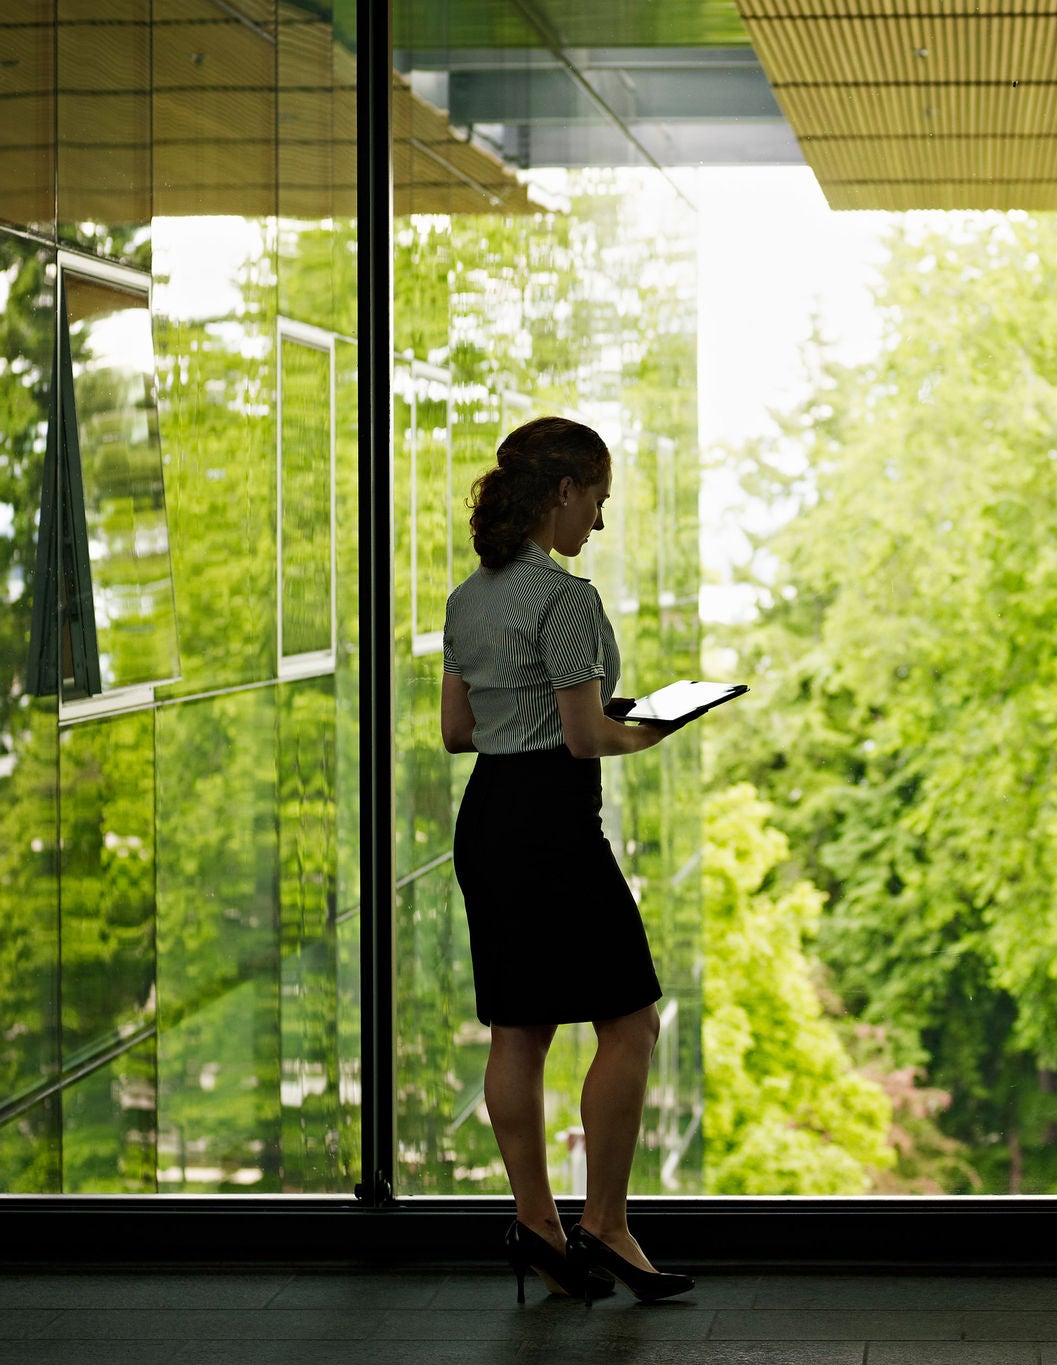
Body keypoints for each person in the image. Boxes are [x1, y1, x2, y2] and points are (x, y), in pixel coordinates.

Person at [440, 415, 694, 1306]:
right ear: (562, 492)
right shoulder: (567, 598)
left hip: (489, 820)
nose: (597, 520)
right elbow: (585, 738)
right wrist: (650, 730)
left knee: (519, 1028)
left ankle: (539, 1224)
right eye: (596, 500)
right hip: (553, 820)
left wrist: (548, 716)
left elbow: (457, 732)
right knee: (631, 1022)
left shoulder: (469, 597)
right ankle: (610, 1226)